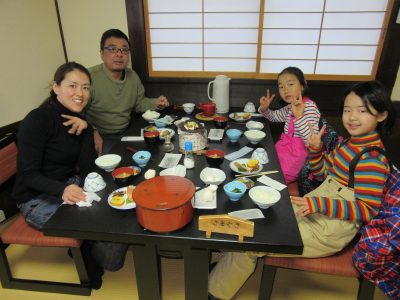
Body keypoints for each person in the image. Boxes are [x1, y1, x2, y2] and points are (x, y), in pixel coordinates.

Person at [208, 80, 396, 299]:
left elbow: (367, 210)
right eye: (347, 109)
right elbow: (322, 175)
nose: (352, 117)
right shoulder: (350, 144)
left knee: (257, 237)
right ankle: (224, 271)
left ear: (382, 115)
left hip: (329, 230)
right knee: (261, 215)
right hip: (315, 212)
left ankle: (215, 291)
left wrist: (316, 203)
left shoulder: (372, 159)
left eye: (362, 110)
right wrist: (316, 153)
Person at [12, 62, 128, 289]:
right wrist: (63, 190)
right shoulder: (37, 120)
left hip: (69, 185)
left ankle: (88, 240)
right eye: (73, 86)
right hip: (36, 198)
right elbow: (29, 176)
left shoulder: (76, 120)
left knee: (118, 210)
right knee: (111, 251)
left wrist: (87, 129)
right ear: (56, 87)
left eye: (85, 88)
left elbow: (86, 169)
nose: (80, 93)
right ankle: (84, 249)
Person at [85, 28, 169, 154]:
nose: (119, 54)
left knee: (156, 150)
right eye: (112, 49)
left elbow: (139, 103)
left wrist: (156, 102)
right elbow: (77, 113)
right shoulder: (89, 77)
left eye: (124, 50)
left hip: (127, 132)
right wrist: (93, 132)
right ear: (102, 53)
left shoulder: (132, 76)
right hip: (101, 136)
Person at [258, 66, 321, 184]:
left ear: (303, 85)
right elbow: (274, 117)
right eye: (281, 87)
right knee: (260, 166)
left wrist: (299, 117)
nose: (285, 90)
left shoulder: (310, 107)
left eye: (290, 84)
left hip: (297, 160)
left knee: (268, 178)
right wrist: (265, 109)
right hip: (283, 152)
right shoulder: (290, 107)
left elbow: (311, 141)